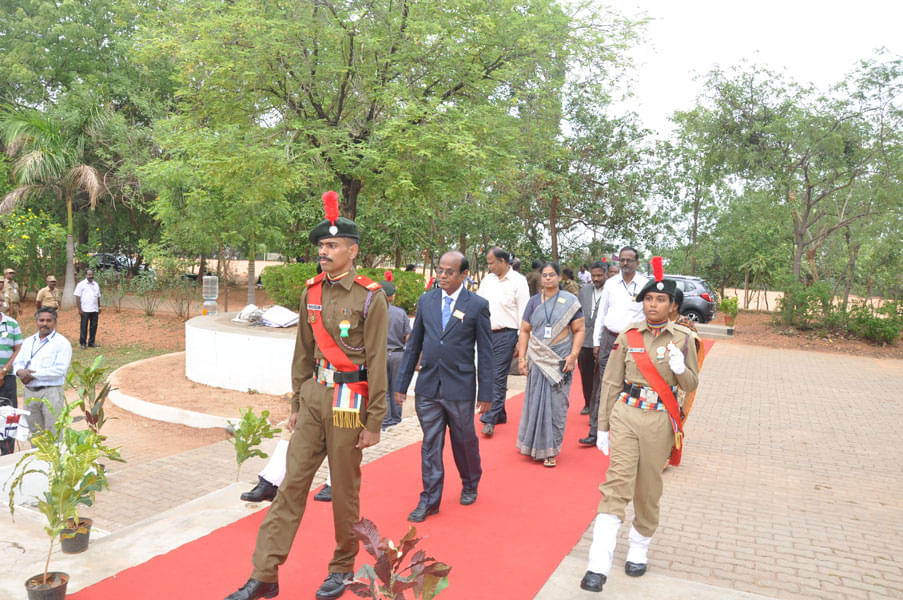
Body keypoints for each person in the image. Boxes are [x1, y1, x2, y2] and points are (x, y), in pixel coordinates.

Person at [225, 191, 388, 600]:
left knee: (344, 493)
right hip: (315, 396)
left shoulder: (370, 296)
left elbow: (380, 361)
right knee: (290, 484)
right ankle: (264, 574)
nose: (324, 251)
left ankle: (341, 568)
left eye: (332, 245)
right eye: (321, 245)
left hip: (351, 400)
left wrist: (375, 421)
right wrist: (297, 404)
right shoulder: (311, 292)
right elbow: (302, 352)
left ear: (352, 251)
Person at [580, 257, 698, 593]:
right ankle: (598, 563)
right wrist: (602, 426)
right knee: (616, 483)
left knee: (648, 488)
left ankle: (639, 547)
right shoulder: (629, 336)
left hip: (660, 420)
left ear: (673, 306)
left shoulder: (684, 339)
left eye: (661, 300)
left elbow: (691, 384)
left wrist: (679, 368)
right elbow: (611, 384)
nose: (653, 304)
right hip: (627, 414)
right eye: (648, 299)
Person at [395, 251, 494, 522]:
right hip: (428, 386)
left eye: (449, 272)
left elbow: (486, 352)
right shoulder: (426, 301)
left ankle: (470, 481)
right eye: (440, 270)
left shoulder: (476, 305)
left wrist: (487, 392)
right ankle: (429, 499)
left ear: (463, 275)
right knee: (430, 444)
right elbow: (414, 344)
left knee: (463, 441)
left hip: (460, 387)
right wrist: (402, 384)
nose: (442, 275)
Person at [515, 262, 585, 467]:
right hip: (537, 359)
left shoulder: (569, 301)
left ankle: (551, 450)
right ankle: (531, 445)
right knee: (534, 401)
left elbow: (579, 330)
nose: (548, 278)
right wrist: (522, 357)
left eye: (552, 275)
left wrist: (574, 355)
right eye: (544, 275)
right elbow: (525, 330)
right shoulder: (534, 302)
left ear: (558, 277)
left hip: (560, 360)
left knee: (556, 406)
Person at [581, 247, 649, 449]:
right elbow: (602, 314)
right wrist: (596, 342)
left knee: (632, 385)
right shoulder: (611, 284)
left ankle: (629, 433)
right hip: (609, 340)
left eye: (629, 260)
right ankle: (595, 431)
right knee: (603, 386)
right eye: (622, 260)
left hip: (635, 340)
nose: (625, 263)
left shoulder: (646, 284)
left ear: (636, 262)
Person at [476, 247, 529, 437]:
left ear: (503, 262)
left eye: (491, 263)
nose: (489, 266)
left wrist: (520, 342)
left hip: (507, 335)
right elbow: (478, 305)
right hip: (485, 334)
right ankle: (500, 413)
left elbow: (524, 313)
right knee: (486, 373)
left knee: (498, 376)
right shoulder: (488, 280)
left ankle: (489, 418)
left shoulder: (519, 281)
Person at [13, 308, 72, 441]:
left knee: (54, 430)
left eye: (48, 320)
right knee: (34, 432)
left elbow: (60, 370)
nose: (44, 323)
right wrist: (19, 371)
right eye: (41, 320)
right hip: (29, 392)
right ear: (36, 322)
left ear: (55, 322)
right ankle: (38, 460)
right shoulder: (28, 341)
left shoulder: (62, 343)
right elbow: (18, 362)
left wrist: (33, 375)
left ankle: (55, 461)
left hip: (51, 392)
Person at [381, 271, 411, 430]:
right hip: (399, 354)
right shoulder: (400, 313)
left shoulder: (373, 313)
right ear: (391, 296)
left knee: (383, 389)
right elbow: (408, 337)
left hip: (380, 355)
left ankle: (386, 420)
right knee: (396, 388)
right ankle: (396, 419)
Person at [577, 262, 606, 417]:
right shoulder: (585, 290)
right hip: (584, 339)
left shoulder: (610, 291)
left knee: (600, 376)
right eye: (594, 275)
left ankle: (598, 405)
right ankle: (588, 403)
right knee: (585, 374)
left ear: (605, 275)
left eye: (599, 275)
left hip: (603, 340)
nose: (596, 279)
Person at [0, 302, 23, 454]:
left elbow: (19, 349)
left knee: (8, 415)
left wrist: (4, 371)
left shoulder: (12, 324)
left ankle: (7, 453)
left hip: (7, 378)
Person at [74, 269, 102, 349]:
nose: (91, 276)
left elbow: (98, 297)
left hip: (94, 309)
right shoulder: (81, 284)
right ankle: (83, 343)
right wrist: (79, 309)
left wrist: (99, 307)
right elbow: (77, 297)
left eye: (92, 274)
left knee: (94, 326)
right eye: (89, 275)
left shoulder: (96, 284)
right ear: (86, 275)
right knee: (84, 326)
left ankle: (91, 342)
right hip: (85, 309)